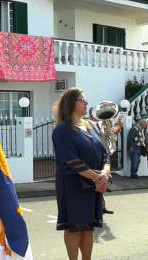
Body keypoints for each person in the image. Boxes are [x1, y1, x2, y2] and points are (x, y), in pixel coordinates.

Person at [52, 88, 110, 260]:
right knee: (74, 226)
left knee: (88, 226)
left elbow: (104, 154)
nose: (86, 102)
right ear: (70, 103)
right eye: (81, 99)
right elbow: (71, 160)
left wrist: (105, 174)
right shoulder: (62, 129)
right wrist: (98, 178)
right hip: (73, 185)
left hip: (93, 184)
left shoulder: (90, 126)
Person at [88, 107, 123, 215]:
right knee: (96, 183)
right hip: (95, 158)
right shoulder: (89, 126)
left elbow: (112, 135)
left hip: (103, 157)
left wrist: (117, 127)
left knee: (102, 182)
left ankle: (101, 206)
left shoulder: (101, 126)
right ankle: (97, 208)